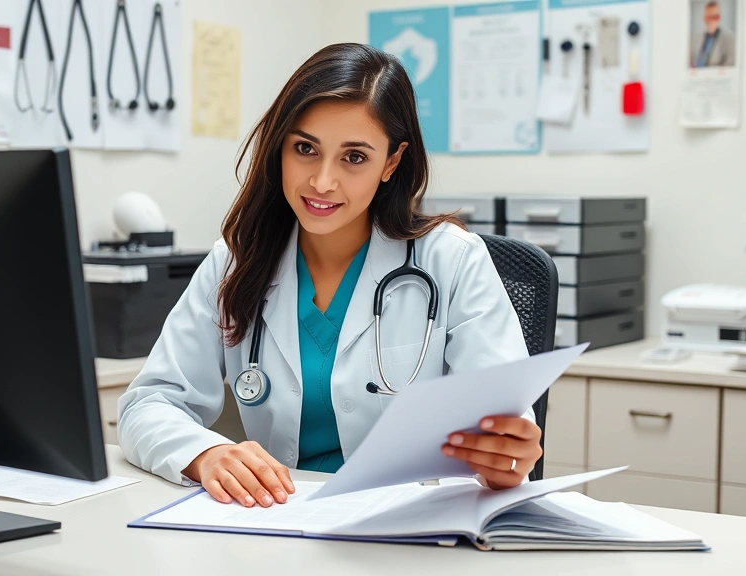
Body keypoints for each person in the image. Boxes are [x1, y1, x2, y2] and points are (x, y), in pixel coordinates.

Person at [117, 43, 540, 508]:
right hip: (280, 521)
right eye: (305, 148)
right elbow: (148, 404)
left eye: (354, 157)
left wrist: (506, 458)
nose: (321, 181)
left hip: (411, 527)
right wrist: (206, 452)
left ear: (392, 163)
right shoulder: (236, 261)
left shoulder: (452, 262)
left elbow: (503, 425)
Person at [691, 1, 736, 67]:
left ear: (719, 18)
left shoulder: (729, 40)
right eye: (710, 17)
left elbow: (730, 65)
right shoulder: (696, 41)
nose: (713, 21)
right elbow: (691, 61)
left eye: (715, 17)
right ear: (705, 19)